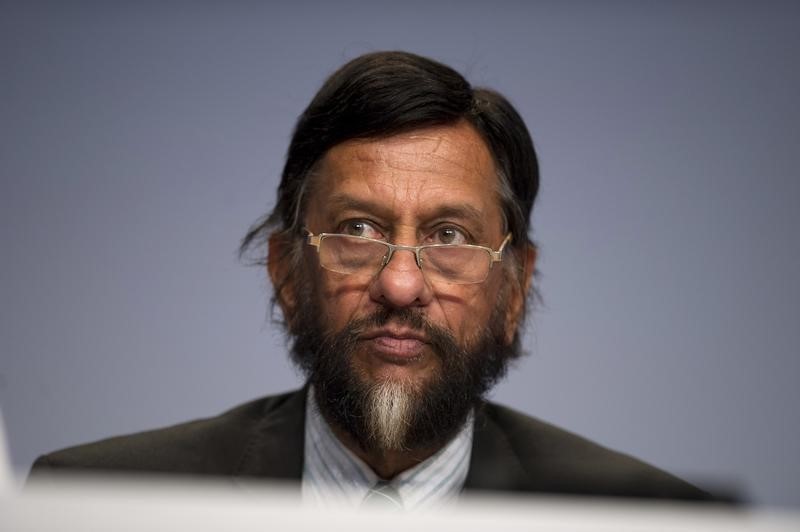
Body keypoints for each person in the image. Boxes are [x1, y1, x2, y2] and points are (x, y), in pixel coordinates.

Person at [30, 51, 713, 510]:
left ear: (514, 290)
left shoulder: (646, 519)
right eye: (358, 230)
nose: (401, 287)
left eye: (451, 237)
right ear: (286, 273)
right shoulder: (97, 502)